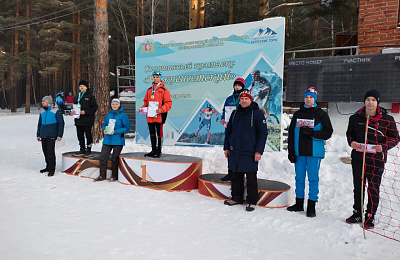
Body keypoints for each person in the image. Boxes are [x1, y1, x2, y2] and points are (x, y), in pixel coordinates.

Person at [345, 89, 399, 229]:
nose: (370, 102)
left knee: (373, 188)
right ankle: (357, 213)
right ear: (364, 101)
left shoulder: (387, 120)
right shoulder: (355, 118)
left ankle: (370, 215)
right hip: (358, 158)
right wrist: (352, 143)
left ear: (378, 102)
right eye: (368, 99)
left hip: (377, 160)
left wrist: (384, 147)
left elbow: (395, 138)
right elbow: (350, 134)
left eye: (373, 100)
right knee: (358, 187)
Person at [287, 87, 333, 218]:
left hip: (314, 153)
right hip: (299, 152)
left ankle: (311, 206)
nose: (308, 99)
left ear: (315, 99)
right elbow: (291, 134)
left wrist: (313, 133)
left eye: (311, 97)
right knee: (299, 178)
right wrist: (291, 151)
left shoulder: (321, 114)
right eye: (306, 97)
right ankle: (299, 203)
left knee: (313, 179)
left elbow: (328, 132)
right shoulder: (297, 114)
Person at [223, 89, 268, 212]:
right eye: (242, 99)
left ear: (250, 100)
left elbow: (263, 133)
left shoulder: (257, 113)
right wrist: (226, 147)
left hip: (250, 151)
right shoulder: (235, 113)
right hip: (235, 150)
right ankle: (236, 198)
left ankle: (252, 201)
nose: (244, 101)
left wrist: (259, 151)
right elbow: (228, 132)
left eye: (246, 99)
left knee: (251, 178)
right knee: (236, 176)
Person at [94, 98, 130, 182]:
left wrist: (116, 131)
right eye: (113, 104)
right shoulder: (108, 114)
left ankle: (114, 176)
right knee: (103, 156)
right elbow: (105, 124)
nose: (114, 106)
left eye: (116, 104)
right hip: (107, 139)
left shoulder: (123, 115)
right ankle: (102, 175)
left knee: (115, 158)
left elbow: (127, 128)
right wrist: (104, 129)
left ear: (119, 105)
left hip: (118, 140)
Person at [141, 71, 172, 158]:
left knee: (159, 134)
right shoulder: (149, 90)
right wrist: (143, 108)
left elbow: (168, 103)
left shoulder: (164, 90)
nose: (155, 79)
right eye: (154, 77)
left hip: (159, 116)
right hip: (150, 116)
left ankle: (159, 151)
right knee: (152, 133)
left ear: (160, 78)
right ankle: (153, 150)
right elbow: (146, 102)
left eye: (157, 77)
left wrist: (161, 109)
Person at [220, 77, 245, 181]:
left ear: (242, 87)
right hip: (229, 128)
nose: (237, 87)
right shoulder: (229, 98)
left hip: (240, 129)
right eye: (236, 85)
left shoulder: (244, 98)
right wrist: (222, 119)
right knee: (229, 150)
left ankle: (239, 175)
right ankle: (230, 173)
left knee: (240, 151)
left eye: (239, 85)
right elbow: (224, 111)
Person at [37, 95, 65, 177]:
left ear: (48, 102)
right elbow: (39, 123)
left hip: (52, 134)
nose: (42, 103)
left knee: (50, 152)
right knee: (45, 151)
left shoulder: (56, 111)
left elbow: (61, 123)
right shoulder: (42, 111)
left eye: (43, 101)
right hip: (43, 134)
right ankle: (48, 166)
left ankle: (52, 169)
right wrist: (38, 134)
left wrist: (59, 134)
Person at [73, 80, 98, 157]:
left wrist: (86, 112)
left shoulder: (90, 96)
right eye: (80, 86)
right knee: (79, 135)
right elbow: (74, 106)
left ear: (86, 87)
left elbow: (94, 107)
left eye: (83, 86)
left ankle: (88, 149)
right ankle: (82, 148)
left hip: (87, 119)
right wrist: (73, 112)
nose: (82, 87)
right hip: (78, 119)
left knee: (88, 134)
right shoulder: (77, 96)